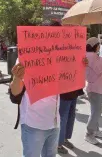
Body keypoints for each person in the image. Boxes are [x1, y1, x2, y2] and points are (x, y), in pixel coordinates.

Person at [9, 21, 62, 157]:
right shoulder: (27, 58)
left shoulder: (61, 59)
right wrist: (17, 78)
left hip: (55, 123)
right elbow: (15, 94)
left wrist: (80, 65)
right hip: (34, 125)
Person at [85, 37, 102, 145]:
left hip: (98, 88)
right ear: (94, 46)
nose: (100, 47)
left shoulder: (93, 55)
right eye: (98, 45)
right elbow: (100, 69)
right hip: (96, 89)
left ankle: (96, 130)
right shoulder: (90, 56)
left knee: (96, 112)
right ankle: (89, 134)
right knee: (96, 112)